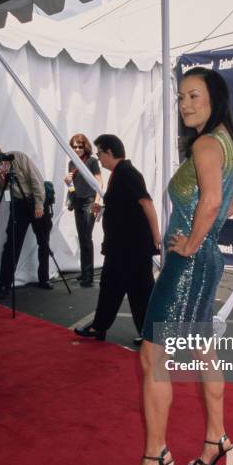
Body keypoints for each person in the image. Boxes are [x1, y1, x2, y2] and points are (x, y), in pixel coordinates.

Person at [124, 67, 233, 465]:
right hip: (208, 261)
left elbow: (213, 203)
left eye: (195, 96)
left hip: (189, 263)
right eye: (181, 98)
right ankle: (217, 439)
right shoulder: (228, 145)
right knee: (202, 354)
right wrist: (205, 238)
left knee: (151, 357)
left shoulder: (207, 144)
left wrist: (191, 243)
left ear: (215, 99)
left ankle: (155, 453)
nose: (185, 104)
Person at [74, 134, 161, 345]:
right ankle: (147, 334)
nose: (99, 158)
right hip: (126, 246)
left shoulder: (128, 173)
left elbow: (146, 204)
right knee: (135, 291)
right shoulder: (120, 173)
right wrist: (105, 208)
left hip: (129, 247)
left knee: (118, 288)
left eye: (99, 153)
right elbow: (127, 206)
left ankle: (101, 327)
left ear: (109, 152)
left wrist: (156, 237)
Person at [0, 142, 53, 300]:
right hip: (19, 203)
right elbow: (2, 188)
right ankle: (4, 285)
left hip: (35, 199)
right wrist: (0, 176)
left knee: (43, 241)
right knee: (12, 243)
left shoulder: (17, 157)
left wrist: (39, 204)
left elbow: (36, 180)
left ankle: (44, 277)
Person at [64, 134, 102, 287]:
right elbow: (72, 186)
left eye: (80, 146)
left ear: (85, 146)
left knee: (86, 237)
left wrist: (97, 202)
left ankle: (88, 275)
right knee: (82, 238)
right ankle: (85, 272)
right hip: (78, 201)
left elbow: (99, 182)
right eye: (74, 147)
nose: (77, 149)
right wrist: (68, 182)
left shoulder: (92, 161)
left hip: (89, 201)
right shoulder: (71, 163)